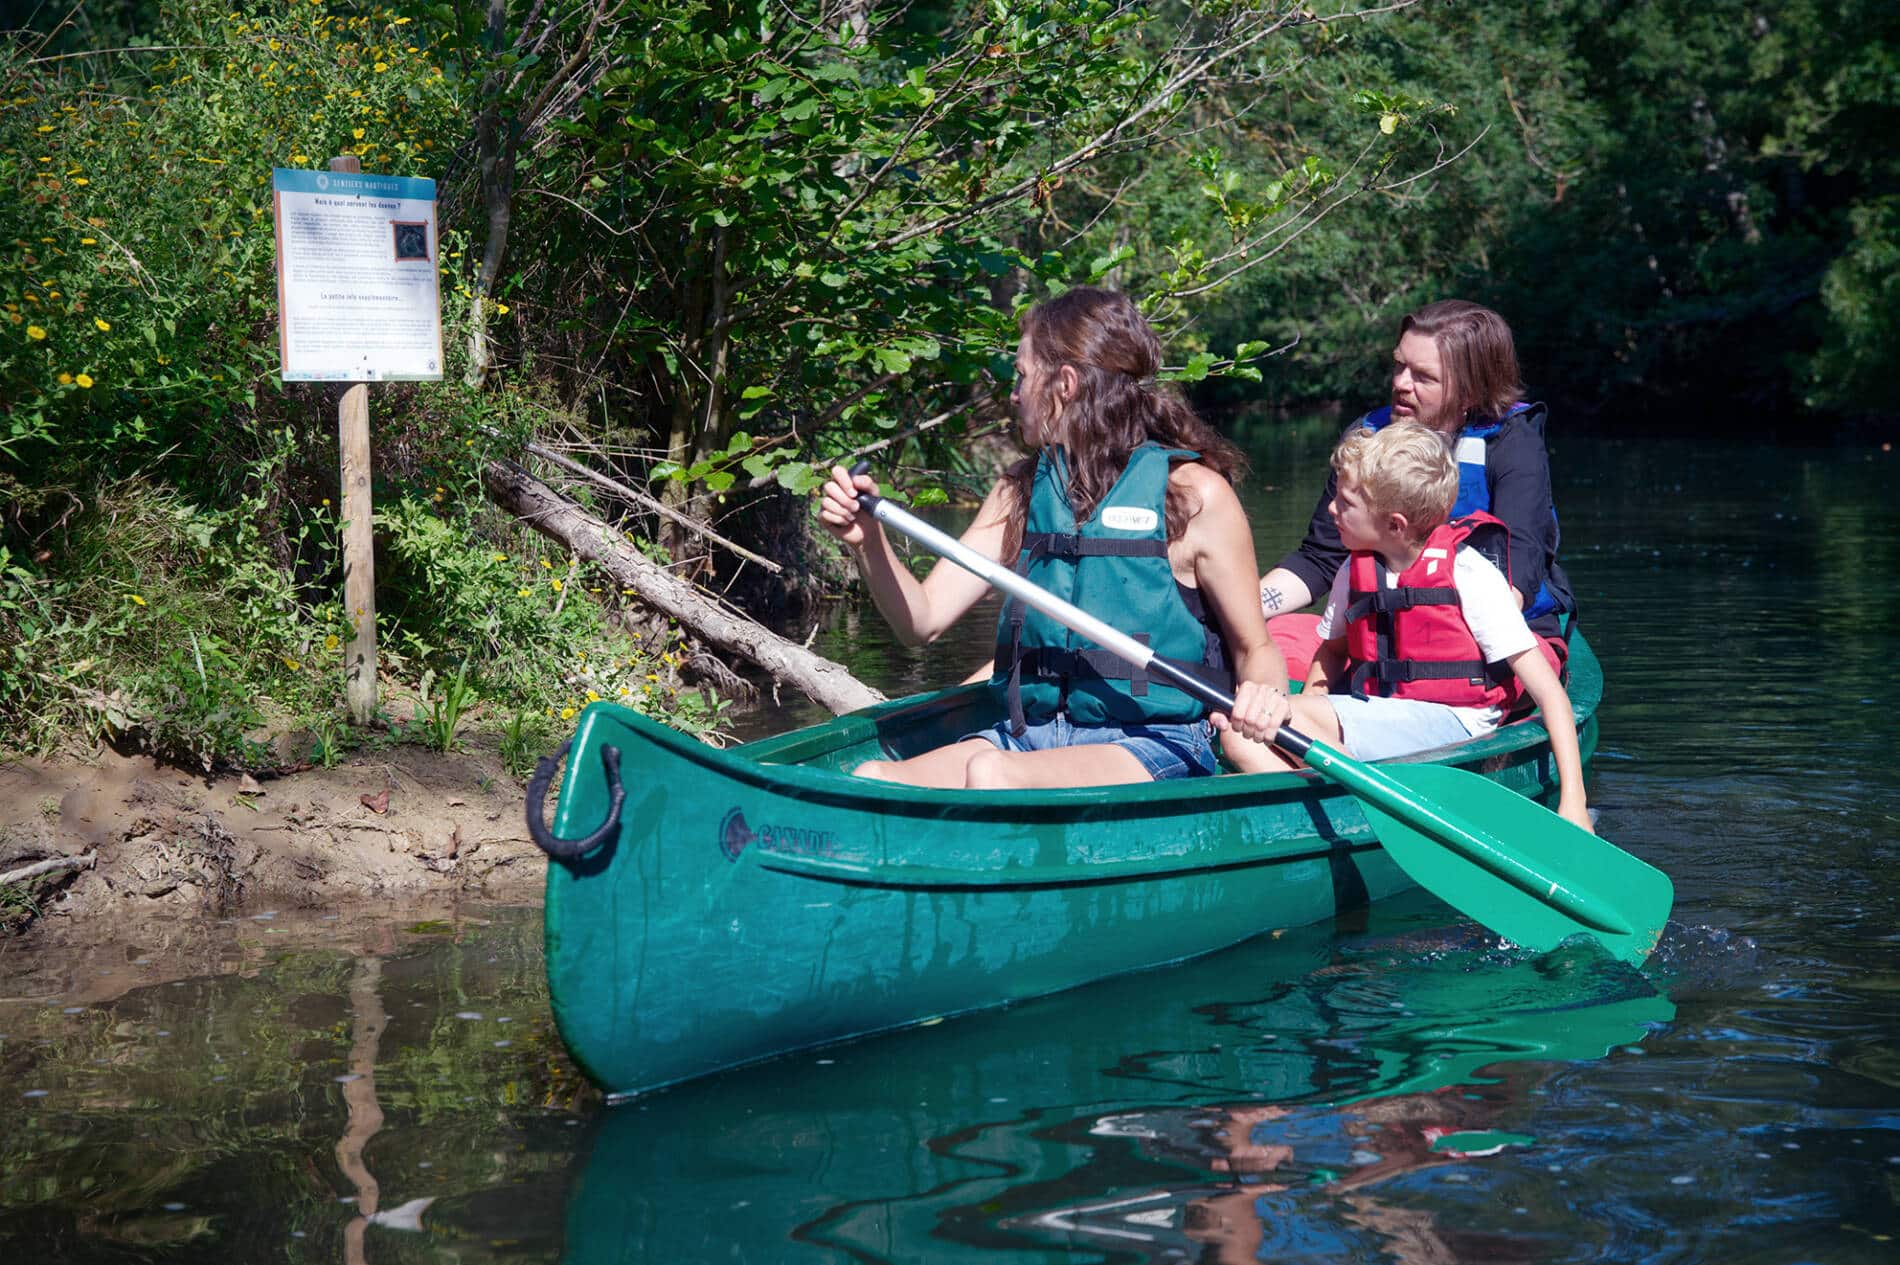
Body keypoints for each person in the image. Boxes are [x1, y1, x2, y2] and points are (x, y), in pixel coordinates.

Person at [817, 286, 1291, 789]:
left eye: (1021, 376)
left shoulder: (1195, 496)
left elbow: (1255, 647)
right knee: (871, 778)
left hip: (1152, 741)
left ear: (1064, 384)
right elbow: (923, 620)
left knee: (992, 774)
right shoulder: (1019, 491)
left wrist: (1264, 696)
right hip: (1028, 736)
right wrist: (866, 539)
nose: (1013, 393)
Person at [1222, 422, 1592, 833]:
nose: (1331, 510)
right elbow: (1331, 652)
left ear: (1394, 525)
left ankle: (1353, 813)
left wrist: (1573, 801)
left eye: (1345, 503)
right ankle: (1342, 807)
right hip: (1382, 714)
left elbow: (1552, 696)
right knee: (1241, 732)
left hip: (1455, 721)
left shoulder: (1468, 575)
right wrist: (1308, 714)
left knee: (1271, 721)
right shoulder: (1355, 567)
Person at [1258, 300, 1574, 683]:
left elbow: (1519, 570)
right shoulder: (1368, 439)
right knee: (1260, 639)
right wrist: (1242, 610)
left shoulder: (1511, 444)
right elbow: (1321, 559)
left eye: (1423, 376)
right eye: (1399, 365)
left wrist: (1430, 648)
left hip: (1495, 638)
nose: (1400, 383)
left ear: (1471, 391)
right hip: (1377, 632)